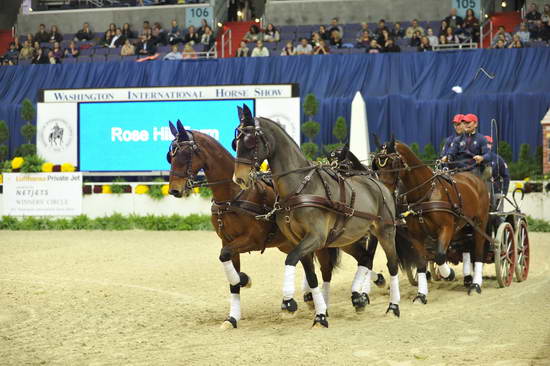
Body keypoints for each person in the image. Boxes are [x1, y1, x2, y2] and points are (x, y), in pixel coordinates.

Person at [444, 114, 491, 179]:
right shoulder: (457, 139)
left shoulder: (481, 139)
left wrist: (482, 158)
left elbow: (488, 155)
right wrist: (447, 157)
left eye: (468, 122)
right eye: (464, 123)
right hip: (459, 170)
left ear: (475, 124)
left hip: (474, 169)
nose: (466, 125)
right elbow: (451, 152)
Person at [484, 135, 510, 208]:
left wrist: (504, 192)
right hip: (480, 193)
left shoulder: (498, 159)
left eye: (488, 143)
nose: (487, 145)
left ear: (491, 145)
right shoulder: (476, 158)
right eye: (484, 143)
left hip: (496, 192)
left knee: (498, 216)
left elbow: (506, 176)